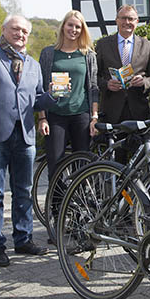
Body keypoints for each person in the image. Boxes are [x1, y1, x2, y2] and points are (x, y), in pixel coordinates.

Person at [0, 14, 56, 267]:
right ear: (4, 29)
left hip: (24, 136)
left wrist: (54, 96)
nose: (21, 34)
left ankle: (23, 240)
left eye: (25, 31)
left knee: (23, 191)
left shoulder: (33, 65)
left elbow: (36, 101)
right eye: (16, 29)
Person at [37, 10, 99, 180]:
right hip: (55, 116)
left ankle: (79, 204)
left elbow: (93, 88)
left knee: (83, 166)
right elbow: (40, 88)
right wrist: (42, 118)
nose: (74, 29)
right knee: (55, 165)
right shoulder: (49, 53)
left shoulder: (88, 55)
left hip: (81, 115)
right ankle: (56, 206)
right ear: (63, 26)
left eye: (78, 27)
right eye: (70, 25)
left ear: (82, 30)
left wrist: (94, 117)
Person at [96, 5, 150, 162]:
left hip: (138, 111)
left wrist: (144, 82)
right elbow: (94, 77)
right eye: (123, 18)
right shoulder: (103, 45)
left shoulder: (147, 45)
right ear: (117, 21)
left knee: (141, 160)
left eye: (131, 19)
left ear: (137, 21)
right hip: (112, 111)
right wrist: (106, 84)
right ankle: (118, 187)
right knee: (116, 160)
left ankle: (138, 187)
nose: (127, 22)